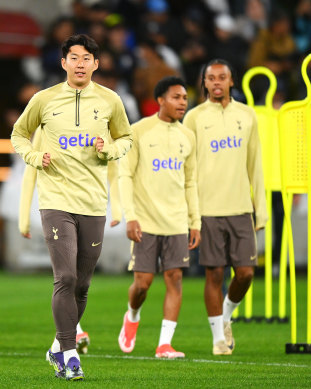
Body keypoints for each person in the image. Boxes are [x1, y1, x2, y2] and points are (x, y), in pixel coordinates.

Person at [11, 34, 132, 381]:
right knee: (64, 277)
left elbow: (125, 138)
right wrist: (35, 156)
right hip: (55, 201)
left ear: (96, 64)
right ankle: (69, 353)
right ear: (63, 63)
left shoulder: (110, 101)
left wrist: (108, 149)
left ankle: (56, 346)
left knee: (81, 285)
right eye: (73, 57)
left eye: (87, 58)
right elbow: (19, 134)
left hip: (93, 202)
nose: (80, 64)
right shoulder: (44, 100)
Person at [183, 59, 267, 355]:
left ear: (232, 81)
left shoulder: (247, 115)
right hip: (207, 210)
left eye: (222, 77)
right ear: (203, 83)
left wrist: (262, 210)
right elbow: (186, 169)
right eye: (211, 78)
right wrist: (190, 213)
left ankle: (227, 314)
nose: (216, 82)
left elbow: (255, 164)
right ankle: (218, 338)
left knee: (245, 273)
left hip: (241, 208)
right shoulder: (193, 118)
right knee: (214, 274)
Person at [117, 76, 201, 359]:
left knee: (175, 278)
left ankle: (164, 344)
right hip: (146, 220)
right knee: (142, 283)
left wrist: (195, 221)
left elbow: (191, 182)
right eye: (176, 97)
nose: (182, 103)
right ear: (161, 100)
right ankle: (133, 314)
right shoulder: (138, 131)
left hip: (177, 220)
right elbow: (125, 175)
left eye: (185, 98)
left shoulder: (188, 136)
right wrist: (131, 216)